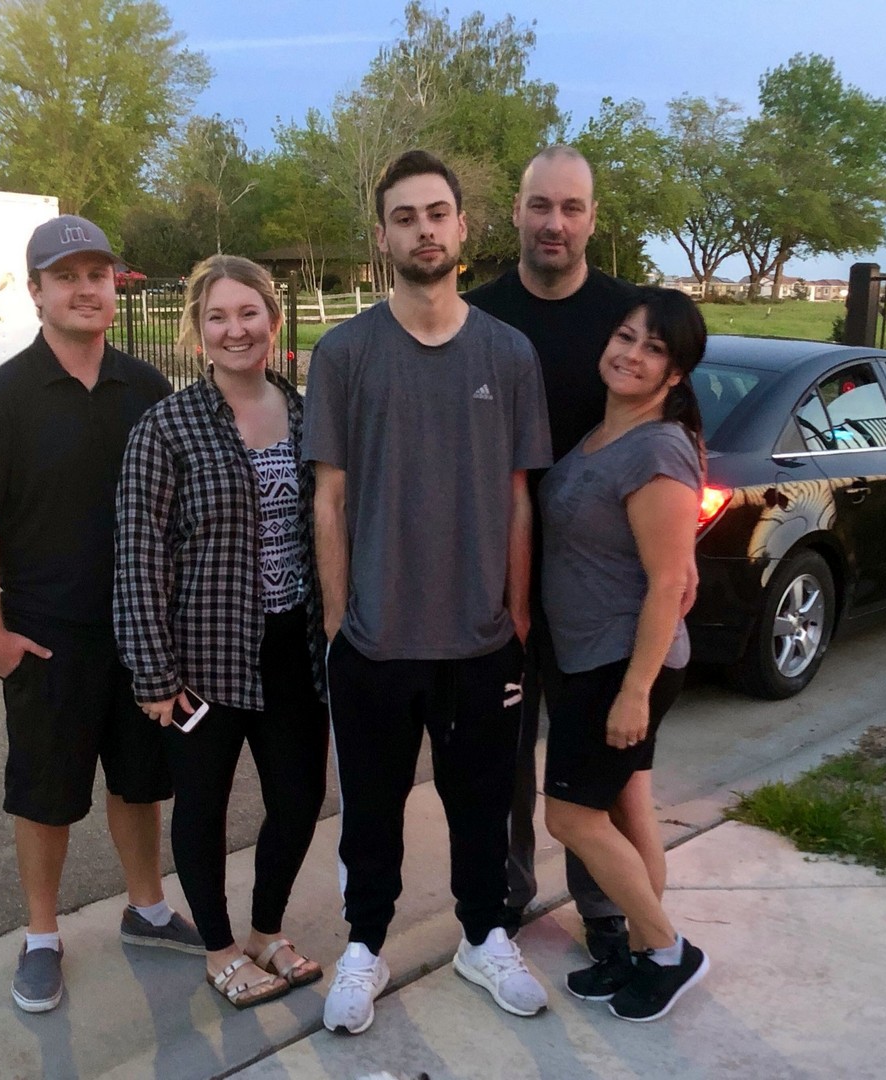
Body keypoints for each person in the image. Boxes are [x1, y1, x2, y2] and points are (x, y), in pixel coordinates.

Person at [304, 150, 553, 1035]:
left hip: (481, 639)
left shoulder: (508, 353)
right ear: (382, 237)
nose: (424, 230)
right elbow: (328, 497)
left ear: (462, 226)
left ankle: (483, 937)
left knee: (481, 809)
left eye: (437, 213)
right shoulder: (344, 353)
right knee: (370, 815)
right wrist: (340, 622)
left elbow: (520, 496)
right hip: (374, 639)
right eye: (405, 217)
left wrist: (516, 615)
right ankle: (364, 947)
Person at [0, 215, 203, 1015]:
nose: (85, 288)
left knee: (140, 781)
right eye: (66, 276)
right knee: (45, 792)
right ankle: (40, 936)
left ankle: (147, 908)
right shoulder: (1, 399)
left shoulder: (147, 388)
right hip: (46, 638)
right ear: (36, 292)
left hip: (141, 638)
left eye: (97, 274)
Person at [114, 255, 328, 1010]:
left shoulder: (306, 414)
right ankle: (219, 948)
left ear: (273, 320)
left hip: (293, 646)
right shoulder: (166, 427)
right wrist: (153, 672)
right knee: (202, 806)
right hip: (203, 655)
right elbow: (138, 554)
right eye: (217, 316)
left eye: (248, 313)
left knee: (299, 798)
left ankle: (266, 930)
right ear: (197, 330)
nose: (235, 330)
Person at [465, 146, 639, 962]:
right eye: (541, 205)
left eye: (571, 208)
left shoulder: (631, 320)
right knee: (499, 751)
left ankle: (602, 904)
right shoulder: (475, 319)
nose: (555, 223)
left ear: (593, 218)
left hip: (596, 582)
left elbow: (674, 437)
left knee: (590, 752)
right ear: (517, 212)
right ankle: (506, 891)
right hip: (492, 576)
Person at [541, 287, 710, 1021]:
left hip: (621, 663)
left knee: (570, 818)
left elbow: (669, 581)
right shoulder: (606, 433)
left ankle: (669, 951)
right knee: (628, 801)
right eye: (625, 336)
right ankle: (644, 952)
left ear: (675, 373)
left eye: (654, 348)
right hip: (589, 657)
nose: (631, 354)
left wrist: (635, 691)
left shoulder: (657, 448)